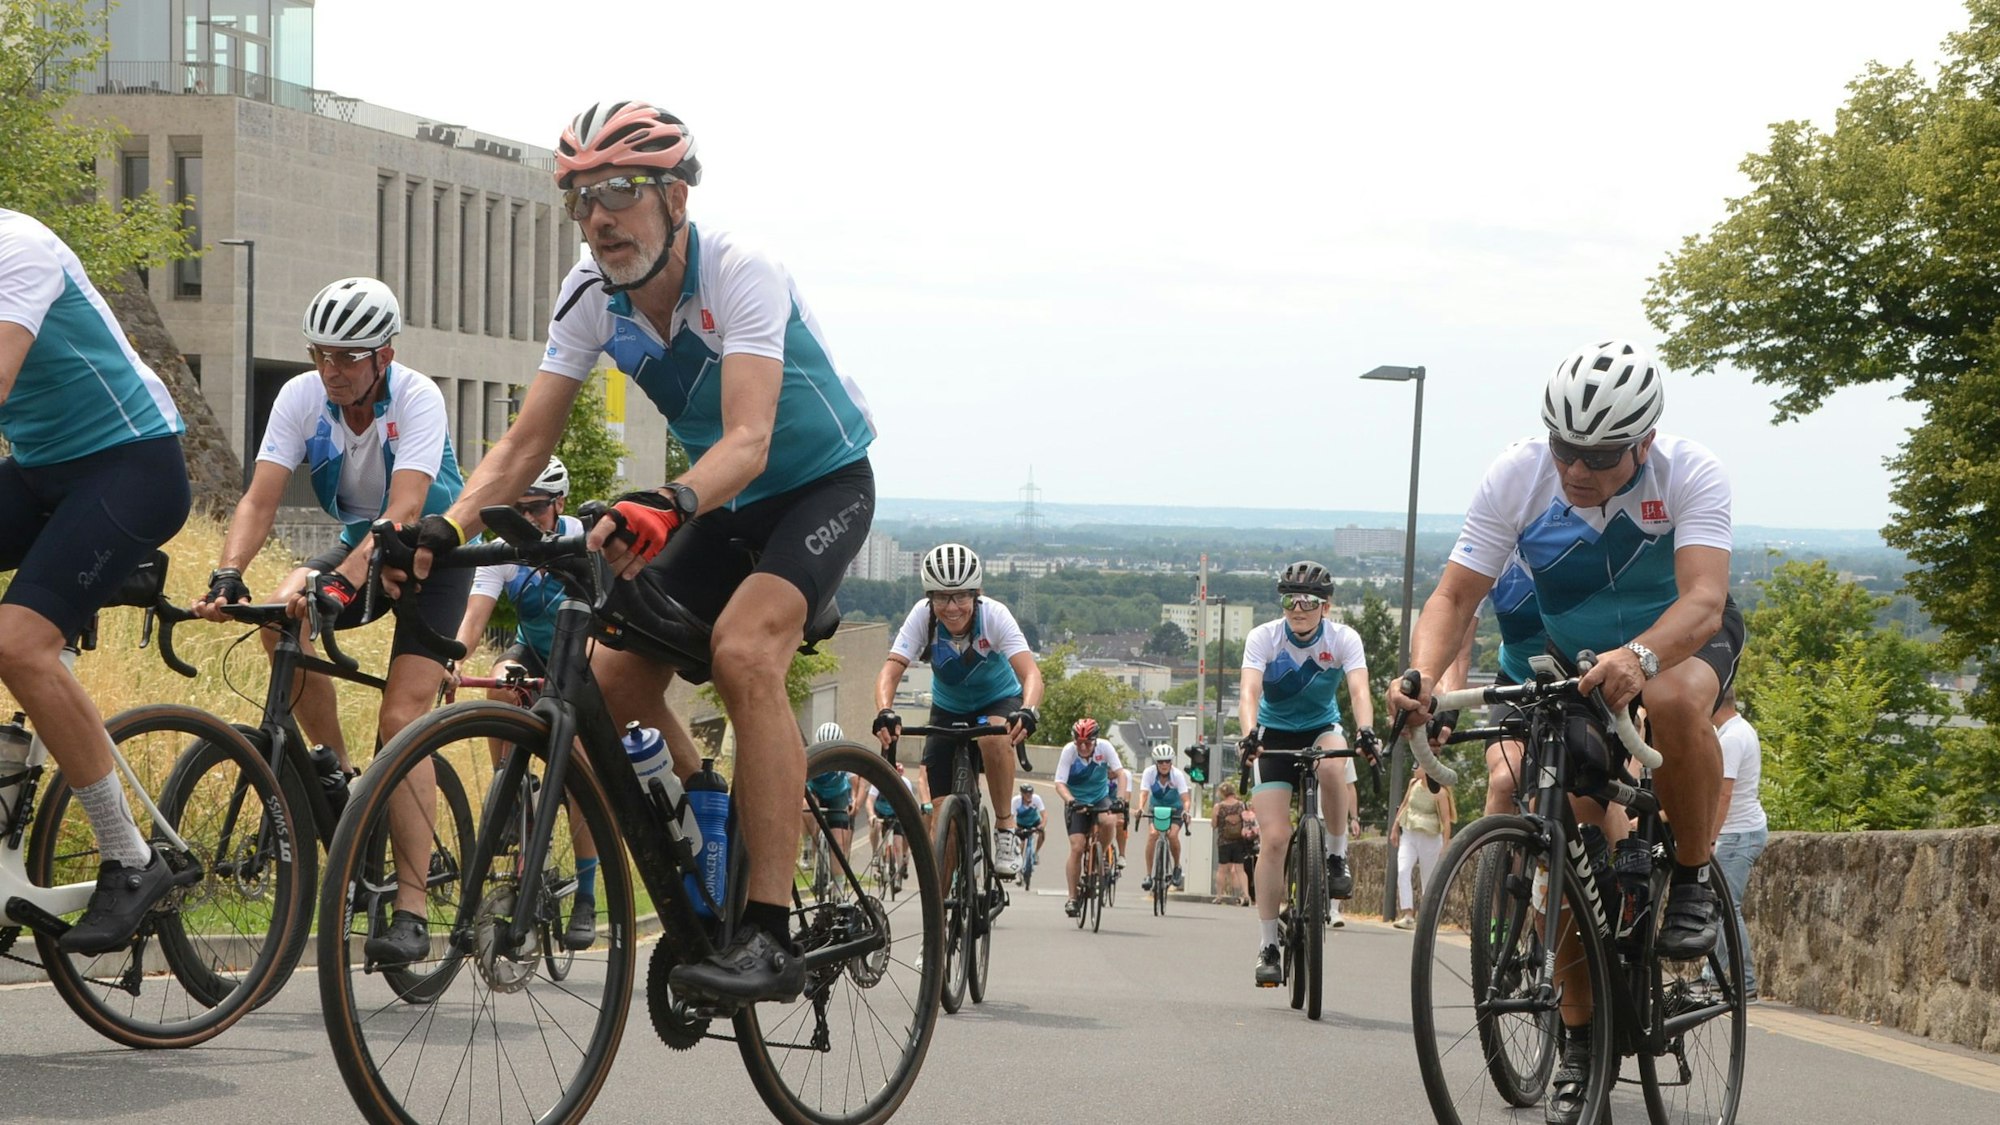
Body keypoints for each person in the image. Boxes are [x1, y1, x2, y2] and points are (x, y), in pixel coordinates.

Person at [400, 101, 878, 1006]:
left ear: (674, 199)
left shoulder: (740, 270)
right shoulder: (590, 293)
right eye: (582, 199)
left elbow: (750, 436)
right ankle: (713, 830)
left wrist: (667, 501)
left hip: (817, 485)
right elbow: (521, 447)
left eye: (620, 191)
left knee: (744, 653)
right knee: (611, 682)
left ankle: (770, 931)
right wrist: (446, 526)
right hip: (718, 500)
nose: (599, 218)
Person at [1386, 339, 1742, 1125]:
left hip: (1673, 640)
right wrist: (1419, 677)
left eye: (1601, 452)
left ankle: (1687, 876)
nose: (1577, 467)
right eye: (1564, 446)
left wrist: (1641, 654)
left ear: (1644, 441)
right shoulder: (1518, 474)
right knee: (1568, 856)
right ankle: (1582, 1042)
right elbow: (1453, 598)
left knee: (1679, 701)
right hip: (1573, 663)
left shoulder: (1691, 471)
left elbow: (1706, 599)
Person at [195, 275, 467, 967]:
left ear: (384, 355)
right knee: (282, 608)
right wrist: (228, 571)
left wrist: (343, 583)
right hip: (362, 541)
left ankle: (410, 912)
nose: (332, 369)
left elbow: (405, 511)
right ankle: (342, 775)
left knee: (404, 719)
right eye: (322, 353)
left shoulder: (417, 397)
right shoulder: (301, 398)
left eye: (349, 356)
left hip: (433, 550)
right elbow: (259, 498)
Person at [0, 208, 193, 954]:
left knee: (18, 645)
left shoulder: (19, 247)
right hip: (43, 471)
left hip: (131, 464)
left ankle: (129, 857)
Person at [449, 456, 600, 950]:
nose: (525, 519)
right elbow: (474, 619)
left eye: (534, 509)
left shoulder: (583, 537)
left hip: (580, 650)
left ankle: (587, 894)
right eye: (517, 508)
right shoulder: (504, 546)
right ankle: (510, 790)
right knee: (497, 685)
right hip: (531, 648)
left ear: (559, 504)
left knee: (579, 772)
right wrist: (453, 658)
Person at [1238, 561, 1379, 987]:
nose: (1298, 609)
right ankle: (1268, 945)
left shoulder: (1343, 639)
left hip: (1321, 728)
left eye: (1308, 602)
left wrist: (1367, 729)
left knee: (1335, 761)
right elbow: (1249, 690)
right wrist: (1248, 736)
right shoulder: (1264, 637)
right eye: (1289, 601)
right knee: (1275, 838)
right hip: (1272, 735)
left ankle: (1336, 856)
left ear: (1326, 606)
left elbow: (1358, 689)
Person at [872, 543, 1042, 878]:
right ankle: (942, 913)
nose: (951, 608)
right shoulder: (922, 616)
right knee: (940, 822)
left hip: (998, 700)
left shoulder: (994, 615)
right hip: (948, 707)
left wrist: (1028, 710)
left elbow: (1031, 674)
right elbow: (890, 670)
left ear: (977, 593)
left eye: (961, 597)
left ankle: (1005, 827)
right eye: (941, 597)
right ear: (930, 598)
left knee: (994, 739)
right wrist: (885, 711)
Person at [1711, 686, 1766, 1000]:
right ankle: (1714, 976)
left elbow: (1723, 794)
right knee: (1722, 907)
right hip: (1744, 830)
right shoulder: (1742, 729)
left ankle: (1744, 983)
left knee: (1726, 908)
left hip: (1737, 834)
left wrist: (1711, 837)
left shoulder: (1731, 738)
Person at [1052, 718, 1127, 918]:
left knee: (1110, 820)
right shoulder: (1069, 751)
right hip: (1076, 800)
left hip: (1099, 797)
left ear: (1095, 740)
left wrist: (1119, 799)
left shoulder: (1105, 748)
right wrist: (1070, 801)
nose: (1083, 747)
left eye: (1087, 743)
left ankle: (1100, 855)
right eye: (1079, 742)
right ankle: (1072, 897)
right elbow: (1059, 783)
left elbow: (1121, 775)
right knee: (1077, 847)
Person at [1390, 764, 1454, 929]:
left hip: (1430, 837)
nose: (1414, 769)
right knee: (1403, 870)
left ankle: (1427, 919)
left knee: (1428, 879)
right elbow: (1404, 805)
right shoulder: (1413, 784)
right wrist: (1395, 827)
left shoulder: (1440, 792)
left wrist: (1445, 844)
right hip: (1410, 833)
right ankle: (1408, 914)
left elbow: (1446, 820)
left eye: (1417, 767)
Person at [802, 721, 858, 873]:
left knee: (838, 844)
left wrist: (853, 800)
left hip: (838, 796)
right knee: (805, 806)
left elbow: (856, 783)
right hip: (815, 792)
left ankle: (838, 888)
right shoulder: (810, 755)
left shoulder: (846, 758)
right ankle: (807, 848)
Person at [1137, 745, 1191, 892]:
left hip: (1176, 809)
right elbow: (1144, 792)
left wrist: (1186, 811)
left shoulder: (1177, 775)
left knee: (1172, 835)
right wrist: (1141, 807)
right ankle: (1148, 875)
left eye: (1167, 761)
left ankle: (1176, 866)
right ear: (1156, 763)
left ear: (1171, 762)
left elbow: (1185, 798)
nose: (1164, 765)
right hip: (1156, 808)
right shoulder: (1149, 773)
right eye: (1161, 762)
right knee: (1153, 835)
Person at [1211, 781, 1249, 905]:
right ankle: (1246, 895)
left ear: (1222, 793)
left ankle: (1219, 896)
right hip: (1239, 841)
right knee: (1240, 869)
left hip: (1223, 841)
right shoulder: (1241, 805)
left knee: (1222, 869)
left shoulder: (1219, 807)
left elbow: (1214, 824)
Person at [1011, 781, 1046, 869]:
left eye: (1030, 793)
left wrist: (1042, 825)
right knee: (1021, 844)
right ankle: (1020, 862)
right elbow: (1011, 817)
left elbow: (1044, 814)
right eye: (1027, 794)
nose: (1029, 795)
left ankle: (1036, 853)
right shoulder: (1016, 801)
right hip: (1021, 824)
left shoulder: (1036, 799)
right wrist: (1016, 828)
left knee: (1043, 833)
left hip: (1034, 822)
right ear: (1022, 794)